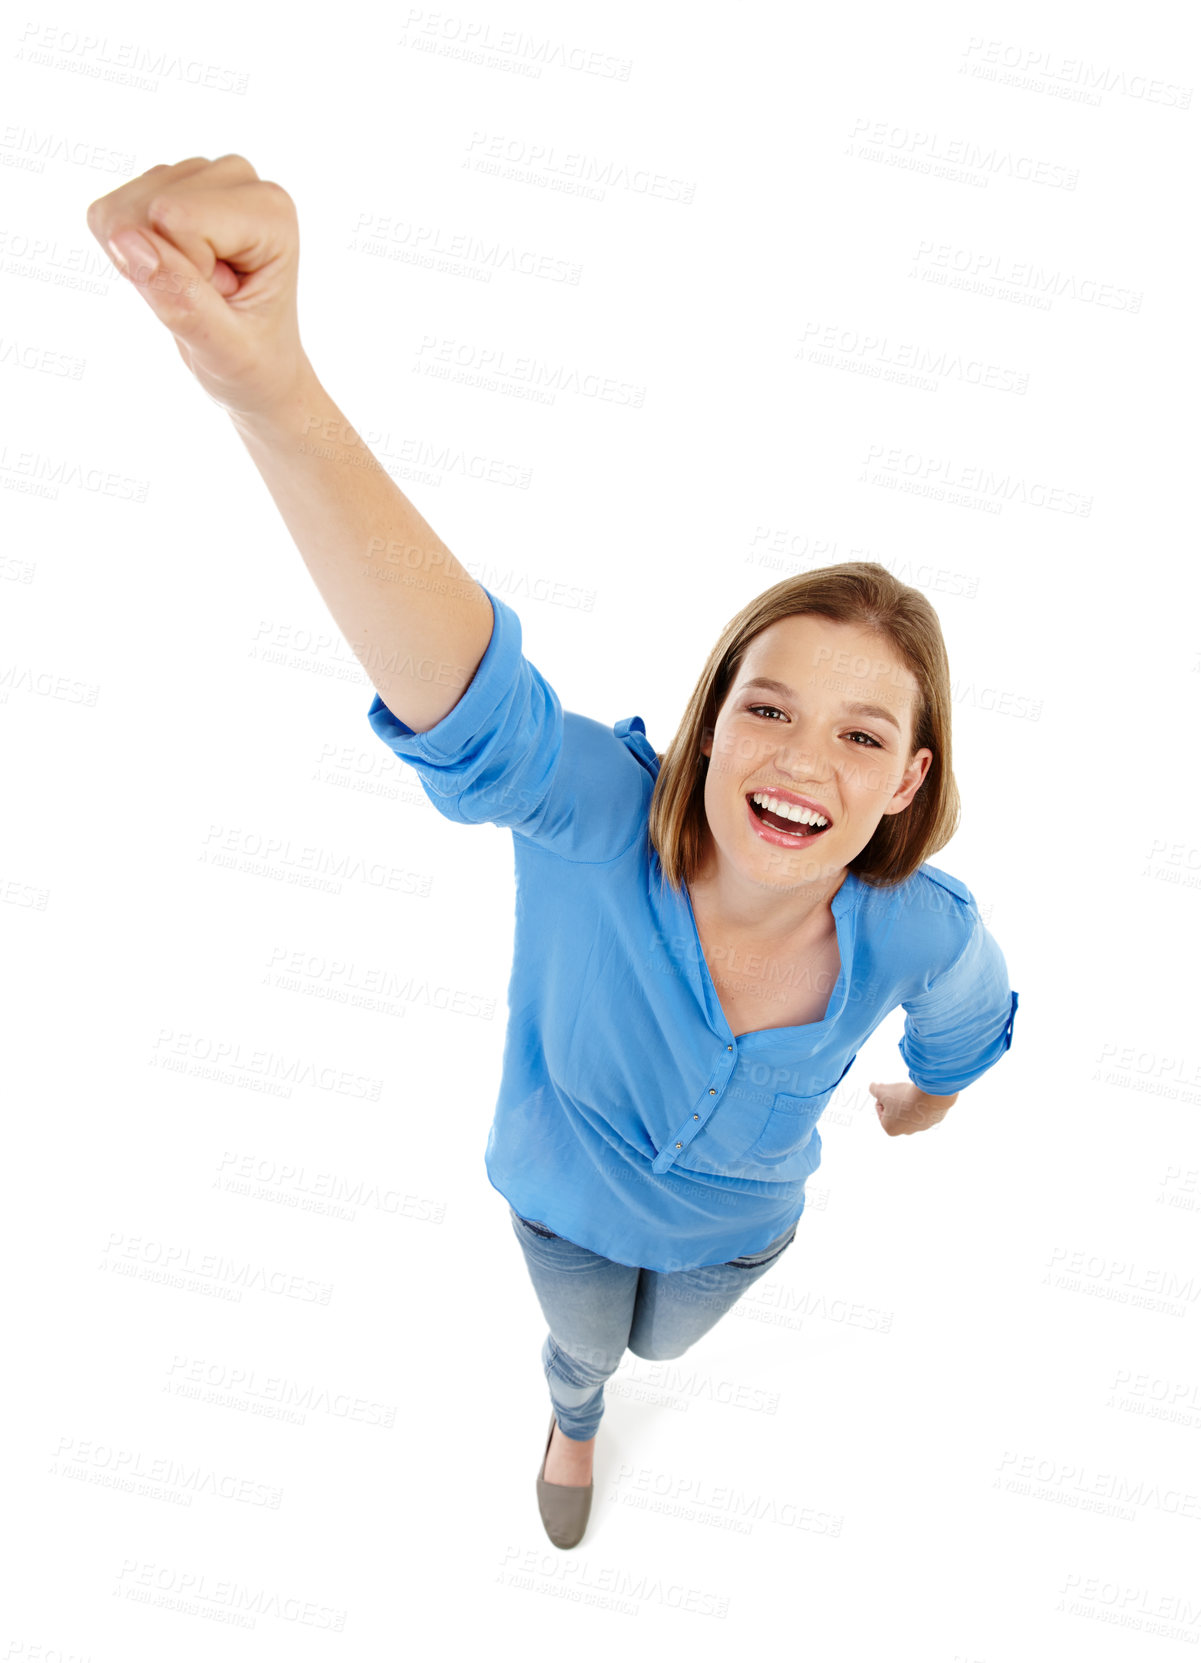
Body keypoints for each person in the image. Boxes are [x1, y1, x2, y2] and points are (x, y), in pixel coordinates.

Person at [86, 156, 1020, 1553]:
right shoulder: (596, 815)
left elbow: (964, 1026)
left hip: (737, 1235)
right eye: (766, 709)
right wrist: (272, 390)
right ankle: (570, 1415)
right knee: (587, 1347)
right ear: (709, 728)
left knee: (667, 1346)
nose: (802, 763)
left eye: (861, 735)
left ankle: (618, 1376)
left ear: (907, 782)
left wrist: (923, 1101)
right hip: (562, 1208)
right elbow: (470, 707)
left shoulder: (924, 926)